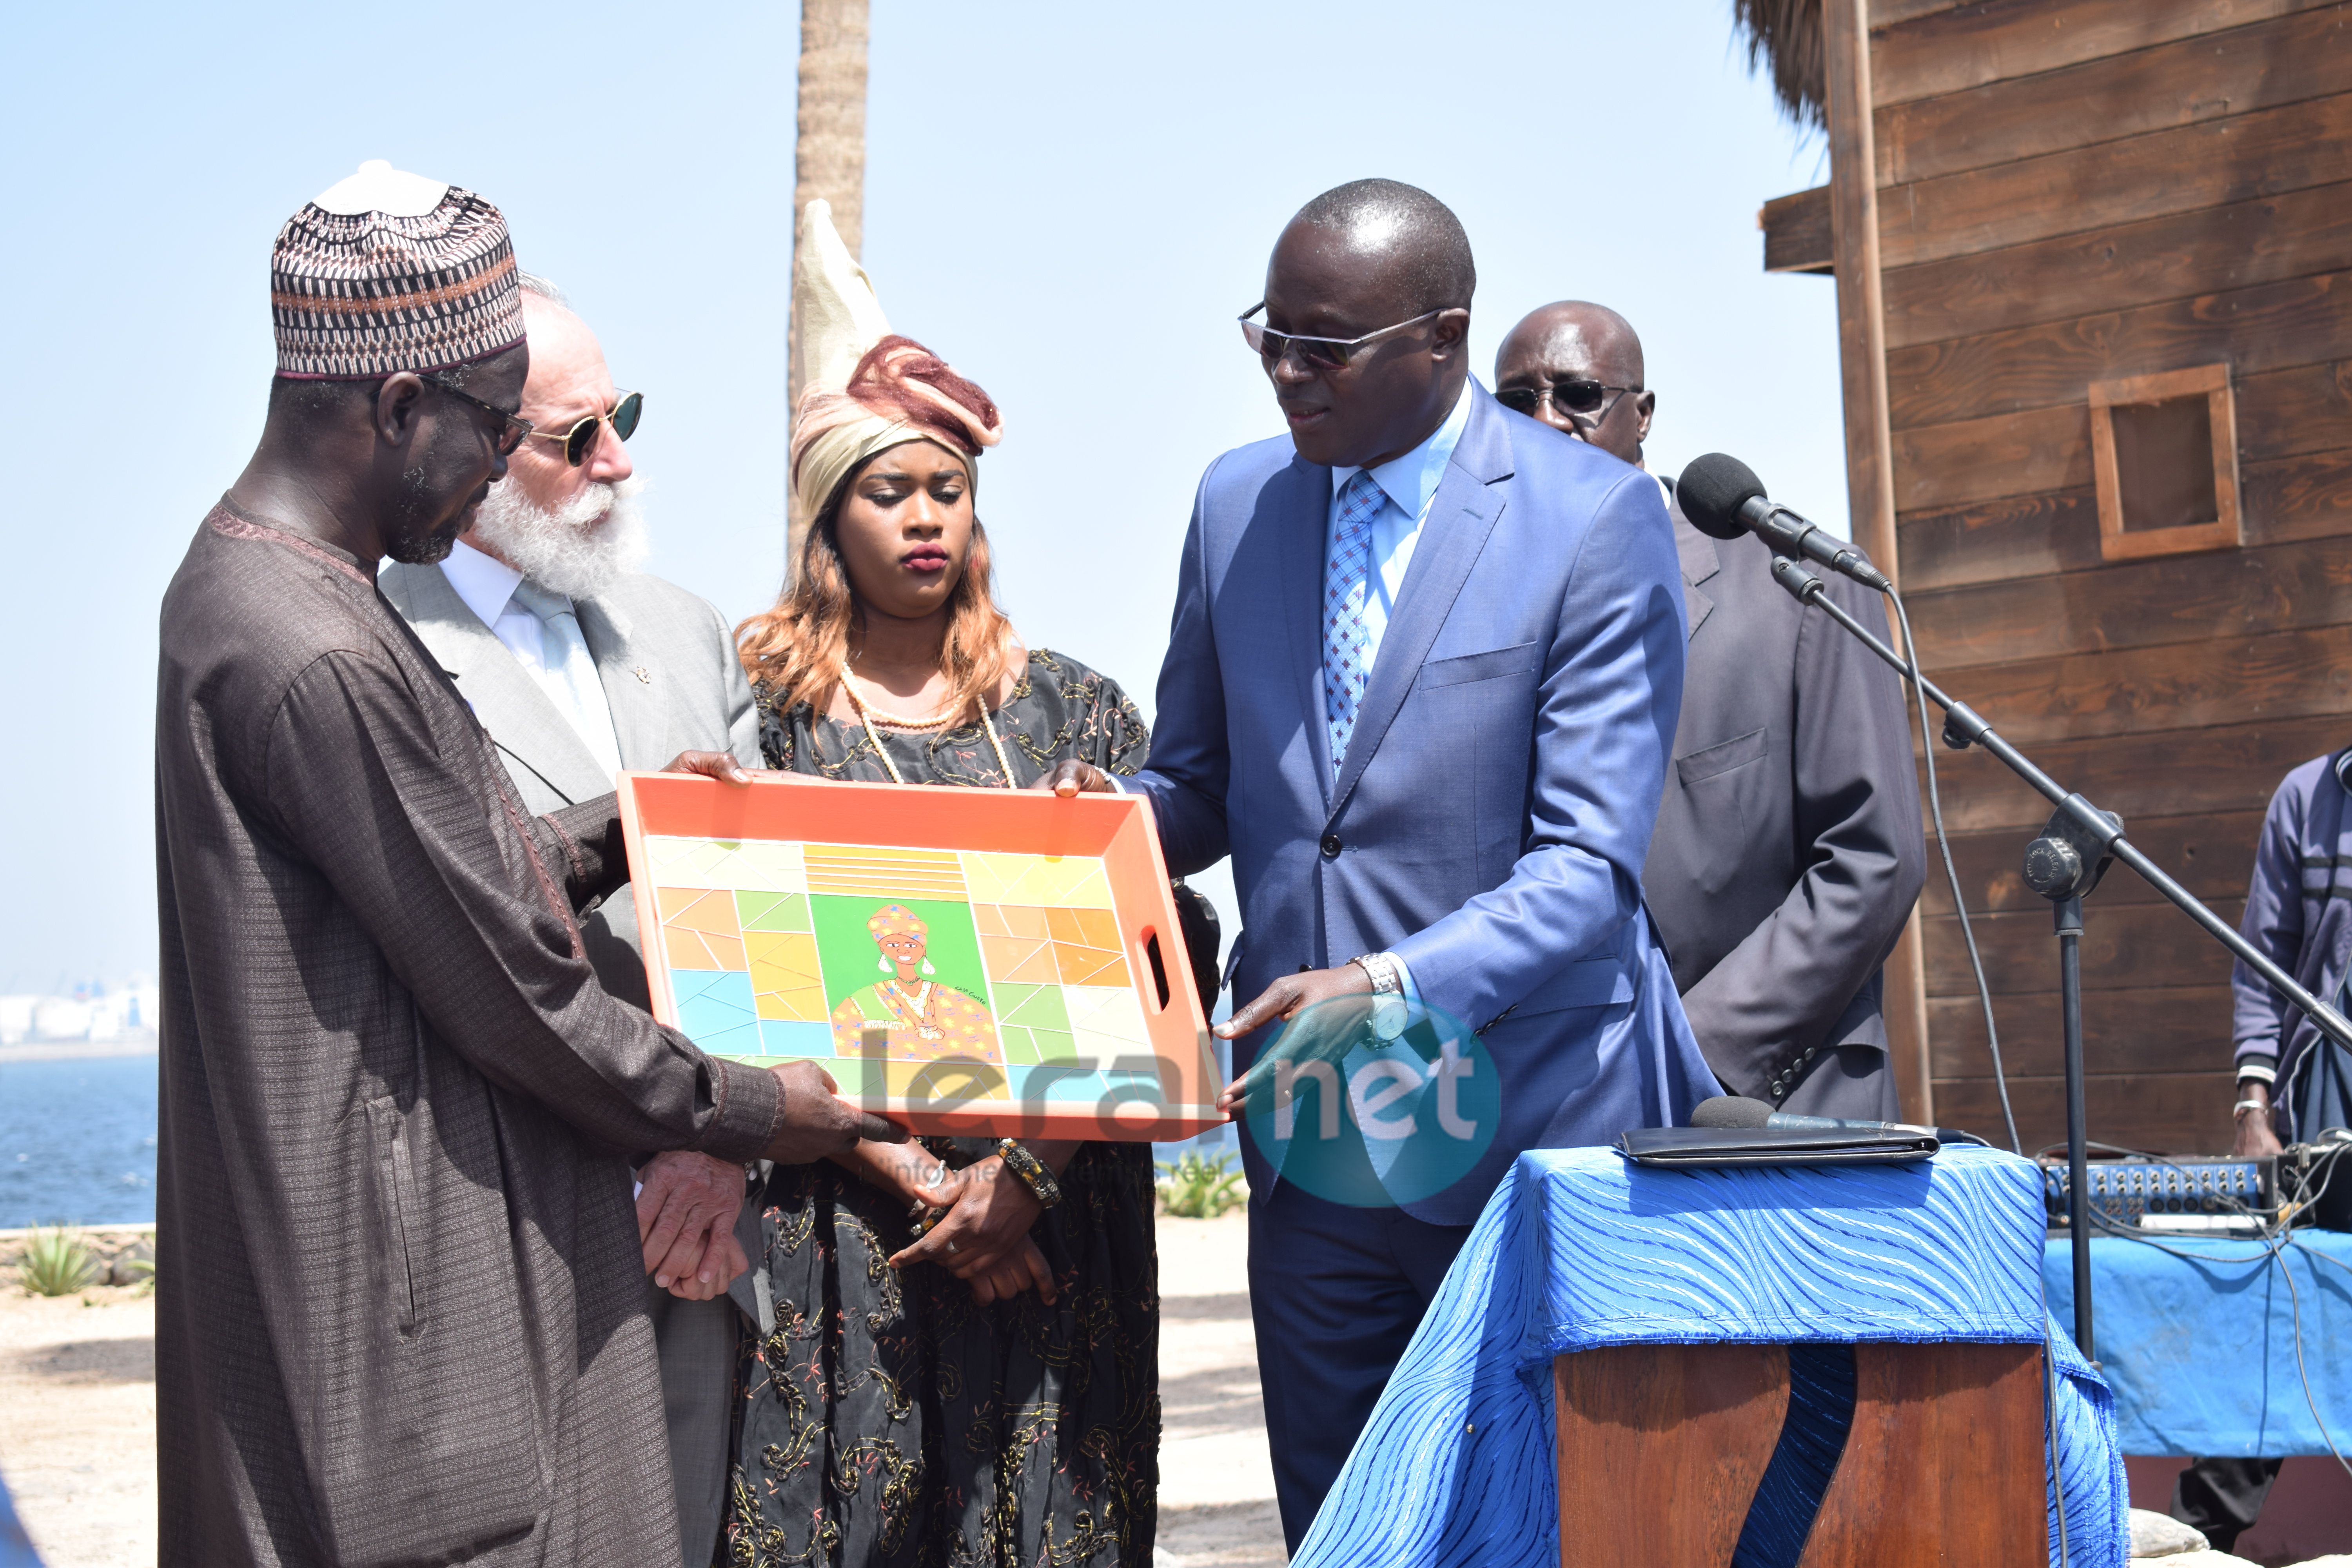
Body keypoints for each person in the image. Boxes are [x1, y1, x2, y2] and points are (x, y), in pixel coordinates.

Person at [153, 162, 893, 1568]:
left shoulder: (269, 589)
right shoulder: (314, 646)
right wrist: (756, 1106)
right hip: (414, 1300)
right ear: (398, 409)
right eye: (500, 428)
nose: (503, 467)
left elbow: (441, 871)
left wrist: (624, 827)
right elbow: (515, 990)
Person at [1047, 180, 1718, 1550]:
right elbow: (1204, 786)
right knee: (1343, 1528)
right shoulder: (1236, 503)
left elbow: (1587, 865)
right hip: (1312, 1145)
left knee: (1545, 1529)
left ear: (1444, 336)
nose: (1287, 373)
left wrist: (1390, 981)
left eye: (1326, 348)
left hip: (1522, 1121)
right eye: (1271, 336)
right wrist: (1104, 819)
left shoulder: (1594, 517)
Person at [720, 200, 1159, 1567]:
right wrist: (932, 1186)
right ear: (827, 516)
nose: (923, 517)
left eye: (947, 489)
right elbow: (746, 980)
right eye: (886, 491)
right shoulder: (765, 717)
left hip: (1060, 1220)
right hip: (847, 1228)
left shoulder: (1077, 713)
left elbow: (1149, 968)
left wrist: (1021, 1178)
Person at [377, 270, 762, 1566]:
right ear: (477, 446)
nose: (620, 462)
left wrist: (718, 1152)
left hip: (704, 1231)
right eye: (576, 436)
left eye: (624, 417)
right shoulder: (376, 643)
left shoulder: (689, 632)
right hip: (503, 1229)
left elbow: (761, 924)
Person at [1493, 301, 1926, 1117]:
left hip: (1771, 1107)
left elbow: (1871, 858)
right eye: (1515, 403)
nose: (1545, 420)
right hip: (1549, 1112)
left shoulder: (1804, 586)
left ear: (1643, 414)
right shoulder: (1474, 618)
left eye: (1579, 395)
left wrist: (1692, 1053)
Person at [2173, 748, 2352, 1550]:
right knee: (2291, 1301)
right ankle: (2202, 1533)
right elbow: (2263, 962)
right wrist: (2255, 1100)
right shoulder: (2308, 796)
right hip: (2328, 1087)